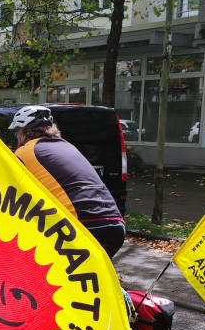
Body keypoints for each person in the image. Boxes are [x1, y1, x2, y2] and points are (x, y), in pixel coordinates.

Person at [12, 105, 125, 258]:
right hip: (115, 225)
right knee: (93, 280)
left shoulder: (24, 151)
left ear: (24, 132)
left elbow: (12, 189)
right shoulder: (68, 146)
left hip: (80, 227)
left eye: (17, 132)